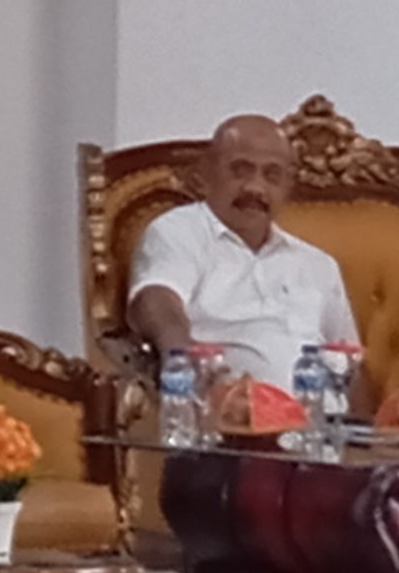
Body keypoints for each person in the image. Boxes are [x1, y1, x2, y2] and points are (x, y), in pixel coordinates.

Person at [127, 114, 366, 397]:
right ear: (207, 172)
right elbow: (156, 298)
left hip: (323, 419)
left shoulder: (318, 265)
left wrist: (370, 424)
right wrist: (180, 352)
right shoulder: (181, 230)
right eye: (240, 170)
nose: (255, 188)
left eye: (272, 175)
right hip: (232, 415)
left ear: (288, 185)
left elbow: (352, 367)